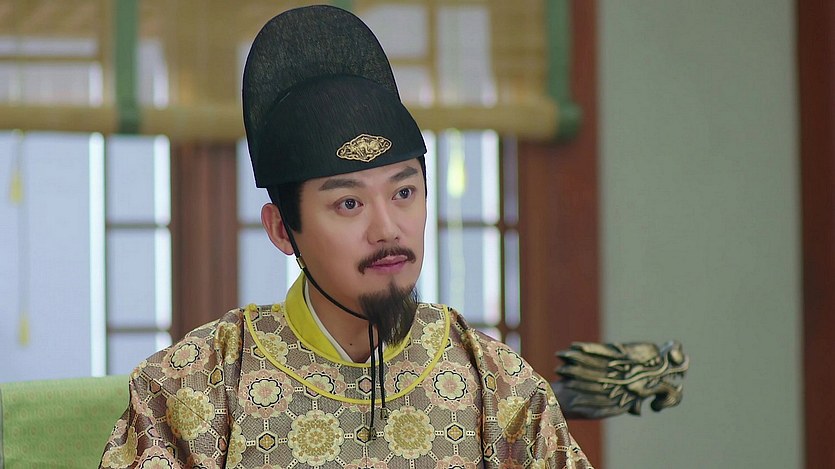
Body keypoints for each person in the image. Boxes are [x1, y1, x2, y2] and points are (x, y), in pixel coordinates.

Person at [100, 5, 593, 468]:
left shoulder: (499, 386)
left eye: (403, 193)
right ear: (282, 229)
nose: (387, 229)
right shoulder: (195, 386)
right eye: (349, 204)